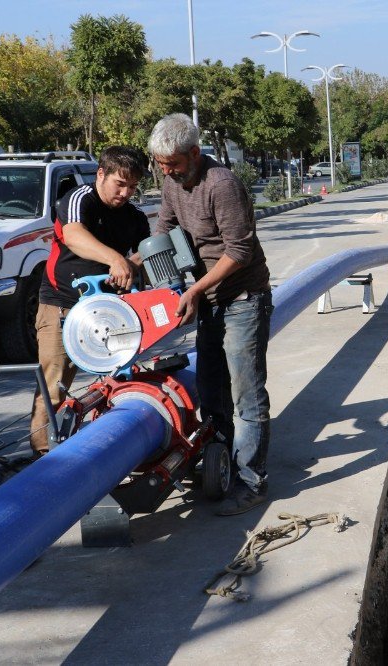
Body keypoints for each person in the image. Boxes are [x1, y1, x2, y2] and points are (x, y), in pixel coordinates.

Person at [148, 113, 273, 517]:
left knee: (246, 394)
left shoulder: (222, 185)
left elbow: (240, 251)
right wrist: (136, 265)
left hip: (241, 299)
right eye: (162, 165)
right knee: (211, 386)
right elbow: (162, 231)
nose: (168, 172)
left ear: (195, 153)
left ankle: (252, 481)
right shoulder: (171, 181)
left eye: (175, 165)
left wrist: (197, 289)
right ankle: (219, 463)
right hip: (210, 302)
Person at [29, 146, 149, 456]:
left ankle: (113, 449)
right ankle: (42, 458)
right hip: (61, 306)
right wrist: (114, 259)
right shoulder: (79, 199)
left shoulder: (134, 216)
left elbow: (145, 250)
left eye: (132, 186)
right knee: (52, 387)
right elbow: (73, 235)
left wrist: (133, 264)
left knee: (118, 382)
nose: (125, 193)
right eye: (119, 184)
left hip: (108, 312)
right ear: (100, 174)